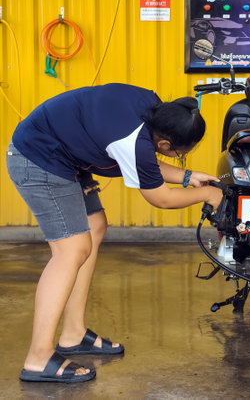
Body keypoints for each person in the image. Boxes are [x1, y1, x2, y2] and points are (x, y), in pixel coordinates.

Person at [6, 83, 223, 383]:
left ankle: (72, 334)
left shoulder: (154, 109)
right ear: (164, 145)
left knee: (94, 227)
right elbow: (160, 197)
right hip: (38, 158)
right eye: (181, 156)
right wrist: (209, 195)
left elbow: (144, 159)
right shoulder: (133, 139)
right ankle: (37, 358)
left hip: (64, 156)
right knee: (72, 249)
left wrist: (188, 176)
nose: (179, 160)